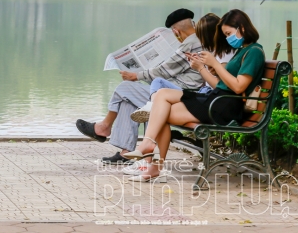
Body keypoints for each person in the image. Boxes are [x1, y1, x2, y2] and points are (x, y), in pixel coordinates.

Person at [123, 9, 266, 181]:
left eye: (228, 33)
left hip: (224, 107)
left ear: (242, 28)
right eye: (225, 35)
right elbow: (219, 85)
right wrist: (201, 68)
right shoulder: (242, 51)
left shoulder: (254, 52)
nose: (228, 38)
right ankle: (149, 148)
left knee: (161, 111)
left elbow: (237, 87)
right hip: (217, 99)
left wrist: (216, 64)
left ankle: (152, 159)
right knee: (161, 96)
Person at [76, 9, 205, 164]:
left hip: (180, 95)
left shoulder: (191, 44)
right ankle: (125, 153)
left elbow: (164, 71)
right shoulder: (199, 40)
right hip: (176, 91)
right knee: (128, 98)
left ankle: (104, 126)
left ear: (175, 31)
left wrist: (135, 75)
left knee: (125, 88)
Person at [130, 13, 234, 123]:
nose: (200, 41)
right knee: (159, 95)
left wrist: (201, 68)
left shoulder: (225, 56)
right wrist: (203, 65)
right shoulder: (216, 53)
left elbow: (219, 86)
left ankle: (152, 108)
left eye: (201, 37)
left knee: (159, 91)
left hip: (209, 98)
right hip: (205, 94)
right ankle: (151, 120)